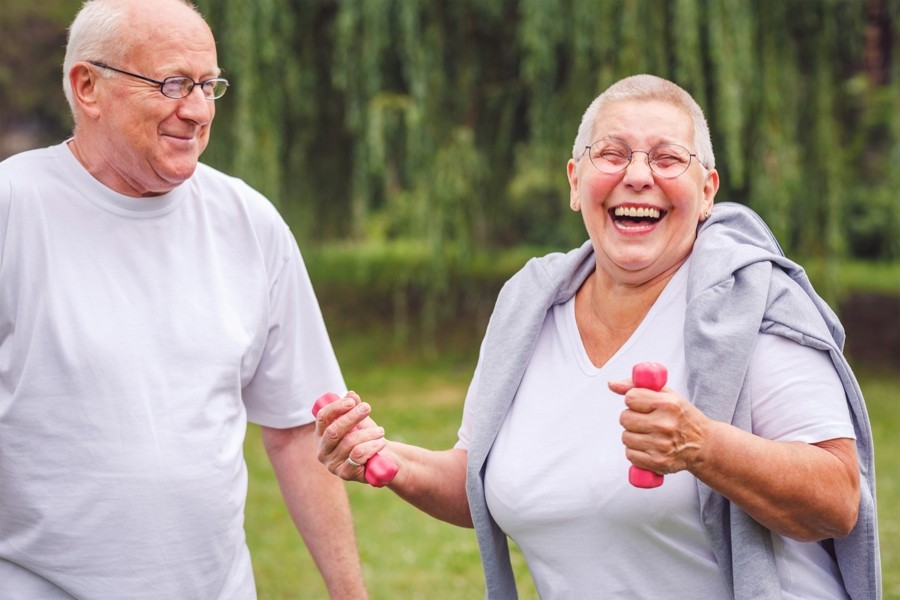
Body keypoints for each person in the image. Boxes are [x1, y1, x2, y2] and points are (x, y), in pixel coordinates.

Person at [314, 74, 881, 599]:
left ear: (707, 191)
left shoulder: (750, 302)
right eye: (611, 153)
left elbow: (836, 500)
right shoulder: (530, 307)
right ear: (575, 181)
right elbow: (484, 479)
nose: (638, 175)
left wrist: (703, 447)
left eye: (666, 157)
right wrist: (386, 459)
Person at [0, 0, 367, 598]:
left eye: (207, 85)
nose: (196, 111)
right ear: (87, 86)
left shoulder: (248, 220)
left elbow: (300, 428)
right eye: (172, 83)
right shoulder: (13, 207)